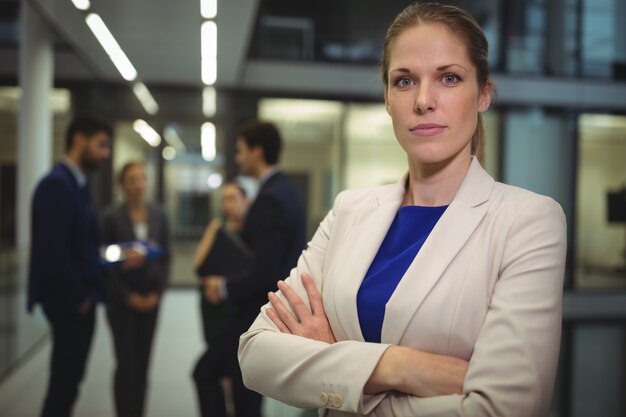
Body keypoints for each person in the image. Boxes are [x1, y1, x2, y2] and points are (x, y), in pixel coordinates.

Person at [238, 3, 567, 417]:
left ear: (484, 94)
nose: (424, 101)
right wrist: (402, 366)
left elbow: (503, 407)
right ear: (388, 100)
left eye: (449, 78)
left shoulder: (528, 221)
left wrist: (338, 365)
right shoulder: (350, 209)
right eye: (405, 81)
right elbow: (255, 353)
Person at [203, 121, 307, 417]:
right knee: (243, 389)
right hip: (265, 307)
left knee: (210, 376)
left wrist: (223, 287)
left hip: (255, 311)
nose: (237, 158)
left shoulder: (269, 200)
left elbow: (265, 272)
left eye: (241, 151)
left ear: (257, 152)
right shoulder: (285, 192)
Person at [27, 114, 112, 417]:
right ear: (79, 139)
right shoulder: (57, 185)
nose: (106, 154)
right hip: (70, 303)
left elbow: (79, 245)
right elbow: (53, 254)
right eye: (101, 145)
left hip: (78, 298)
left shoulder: (76, 185)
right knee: (63, 387)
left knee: (69, 382)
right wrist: (80, 299)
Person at [100, 161, 170, 417]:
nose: (138, 184)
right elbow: (104, 261)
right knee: (126, 365)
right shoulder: (110, 217)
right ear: (122, 185)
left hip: (151, 301)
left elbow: (166, 259)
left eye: (142, 178)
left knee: (142, 365)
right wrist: (127, 295)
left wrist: (156, 294)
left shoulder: (159, 215)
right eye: (132, 179)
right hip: (122, 302)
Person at [192, 182, 252, 417]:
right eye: (224, 199)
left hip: (240, 313)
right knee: (215, 372)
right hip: (214, 312)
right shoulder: (217, 230)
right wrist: (214, 230)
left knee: (236, 380)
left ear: (245, 201)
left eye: (233, 198)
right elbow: (199, 267)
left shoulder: (254, 234)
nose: (228, 204)